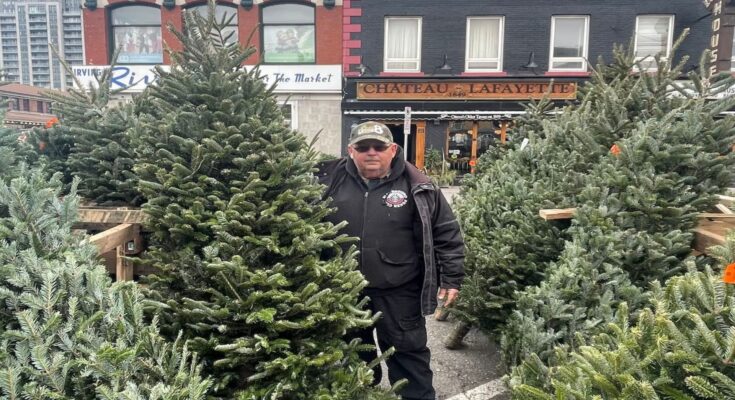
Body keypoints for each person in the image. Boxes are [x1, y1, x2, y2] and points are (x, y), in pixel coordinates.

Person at [317, 121, 465, 400]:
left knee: (408, 358)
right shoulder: (327, 180)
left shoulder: (418, 185)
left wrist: (452, 278)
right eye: (363, 147)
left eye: (379, 146)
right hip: (342, 292)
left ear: (393, 149)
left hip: (399, 291)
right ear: (351, 150)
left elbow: (446, 231)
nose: (371, 152)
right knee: (351, 360)